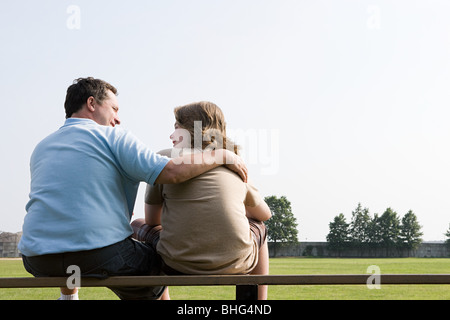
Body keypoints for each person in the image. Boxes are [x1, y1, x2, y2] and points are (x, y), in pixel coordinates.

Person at [18, 78, 247, 300]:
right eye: (114, 109)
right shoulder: (113, 137)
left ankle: (69, 297)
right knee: (155, 262)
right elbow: (171, 172)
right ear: (91, 103)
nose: (117, 119)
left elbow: (65, 199)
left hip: (36, 259)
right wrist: (222, 154)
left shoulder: (43, 147)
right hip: (99, 254)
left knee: (76, 257)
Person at [131, 101, 271, 300]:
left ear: (191, 131)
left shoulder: (164, 159)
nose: (172, 136)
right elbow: (264, 214)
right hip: (237, 263)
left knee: (137, 225)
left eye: (177, 128)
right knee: (260, 227)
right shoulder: (235, 166)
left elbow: (153, 220)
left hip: (174, 263)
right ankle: (259, 304)